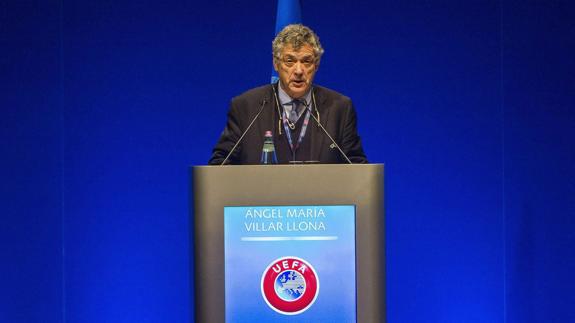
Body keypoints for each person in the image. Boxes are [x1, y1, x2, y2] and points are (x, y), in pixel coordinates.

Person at [209, 24, 367, 165]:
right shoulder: (245, 107)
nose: (298, 71)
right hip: (261, 198)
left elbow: (357, 169)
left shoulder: (340, 108)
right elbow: (220, 165)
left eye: (306, 61)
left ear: (316, 65)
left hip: (320, 198)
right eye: (289, 61)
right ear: (276, 64)